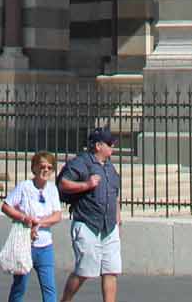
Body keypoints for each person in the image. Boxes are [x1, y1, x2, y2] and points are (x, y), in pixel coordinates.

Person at [57, 126, 121, 302]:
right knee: (85, 270)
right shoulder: (82, 162)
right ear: (99, 145)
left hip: (109, 226)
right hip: (87, 223)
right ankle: (65, 300)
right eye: (109, 144)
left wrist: (118, 219)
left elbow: (115, 194)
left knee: (111, 270)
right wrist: (86, 185)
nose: (112, 147)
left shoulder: (109, 167)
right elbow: (63, 183)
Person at [2, 151, 63, 302]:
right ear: (34, 168)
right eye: (42, 166)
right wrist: (24, 218)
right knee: (20, 286)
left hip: (45, 246)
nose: (46, 170)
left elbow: (57, 215)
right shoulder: (24, 187)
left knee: (49, 288)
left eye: (50, 167)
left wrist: (40, 222)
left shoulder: (52, 189)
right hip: (25, 244)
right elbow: (6, 206)